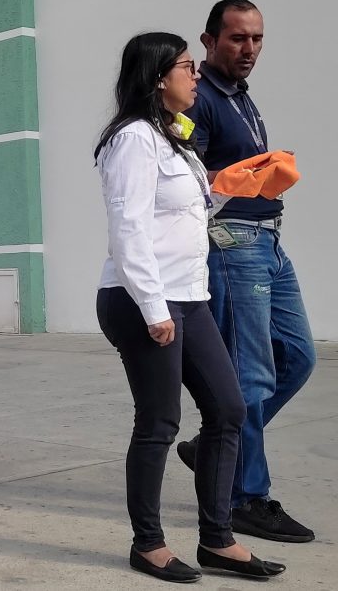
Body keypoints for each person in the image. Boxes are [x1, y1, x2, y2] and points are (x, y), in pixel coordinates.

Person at [95, 32, 283, 582]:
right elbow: (128, 227)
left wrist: (235, 185)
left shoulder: (172, 139)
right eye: (186, 67)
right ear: (158, 78)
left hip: (190, 297)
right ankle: (147, 544)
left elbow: (186, 212)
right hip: (143, 299)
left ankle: (217, 540)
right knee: (159, 422)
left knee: (228, 409)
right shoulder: (133, 138)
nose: (196, 76)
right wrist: (154, 309)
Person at [179, 0, 316, 544]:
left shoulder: (241, 96)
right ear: (210, 40)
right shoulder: (201, 100)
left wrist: (265, 171)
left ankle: (217, 443)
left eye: (257, 38)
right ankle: (245, 497)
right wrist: (247, 173)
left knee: (299, 358)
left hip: (269, 243)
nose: (249, 49)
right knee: (252, 375)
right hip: (233, 244)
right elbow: (191, 178)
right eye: (237, 39)